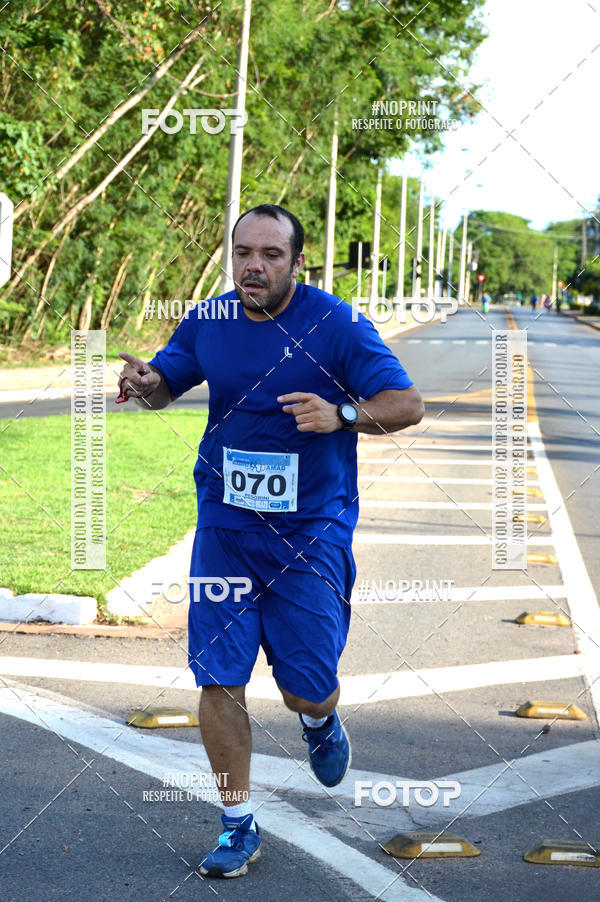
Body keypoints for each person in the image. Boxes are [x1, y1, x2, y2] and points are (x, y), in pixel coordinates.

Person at [117, 204, 423, 878]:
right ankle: (237, 824)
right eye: (243, 253)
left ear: (297, 262)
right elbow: (167, 383)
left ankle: (319, 721)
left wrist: (343, 414)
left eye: (271, 255)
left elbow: (407, 404)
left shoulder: (337, 324)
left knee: (305, 689)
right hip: (226, 525)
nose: (253, 266)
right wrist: (147, 385)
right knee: (218, 677)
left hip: (310, 532)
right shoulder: (211, 318)